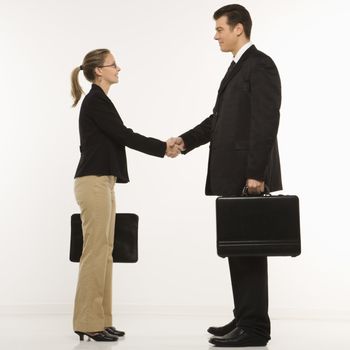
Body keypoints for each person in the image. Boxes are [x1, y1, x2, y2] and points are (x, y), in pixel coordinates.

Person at [168, 4, 282, 347]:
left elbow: (266, 122)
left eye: (219, 29)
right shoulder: (238, 68)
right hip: (234, 175)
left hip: (247, 176)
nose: (215, 35)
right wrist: (185, 140)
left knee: (249, 250)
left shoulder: (260, 65)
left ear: (239, 29)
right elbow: (220, 121)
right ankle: (245, 316)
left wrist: (255, 175)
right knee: (237, 247)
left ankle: (256, 328)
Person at [70, 48, 181, 342]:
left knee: (105, 251)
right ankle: (87, 321)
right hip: (92, 181)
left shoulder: (100, 101)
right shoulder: (96, 101)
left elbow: (120, 135)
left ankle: (101, 320)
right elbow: (124, 135)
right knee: (95, 252)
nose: (119, 69)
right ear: (98, 71)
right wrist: (162, 147)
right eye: (113, 64)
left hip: (103, 181)